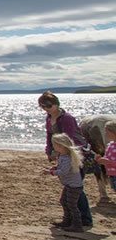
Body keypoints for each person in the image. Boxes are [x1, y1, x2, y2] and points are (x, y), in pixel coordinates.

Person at [39, 91, 92, 227]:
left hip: (75, 152)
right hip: (62, 151)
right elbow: (50, 135)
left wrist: (60, 152)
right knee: (70, 187)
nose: (46, 109)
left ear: (56, 104)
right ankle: (70, 219)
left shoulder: (66, 118)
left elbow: (69, 138)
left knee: (75, 186)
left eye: (48, 106)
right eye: (43, 107)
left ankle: (84, 219)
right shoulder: (49, 118)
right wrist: (49, 151)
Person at [44, 133, 85, 232]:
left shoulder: (67, 157)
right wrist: (55, 168)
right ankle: (67, 220)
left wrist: (51, 172)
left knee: (72, 204)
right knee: (64, 201)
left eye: (54, 145)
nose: (53, 147)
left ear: (60, 145)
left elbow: (64, 172)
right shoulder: (63, 156)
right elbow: (62, 168)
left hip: (74, 186)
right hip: (69, 184)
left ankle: (77, 224)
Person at [94, 120, 116, 193]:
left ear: (113, 133)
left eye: (107, 131)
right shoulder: (110, 145)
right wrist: (101, 160)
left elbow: (110, 161)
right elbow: (107, 158)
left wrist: (110, 162)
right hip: (112, 174)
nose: (105, 133)